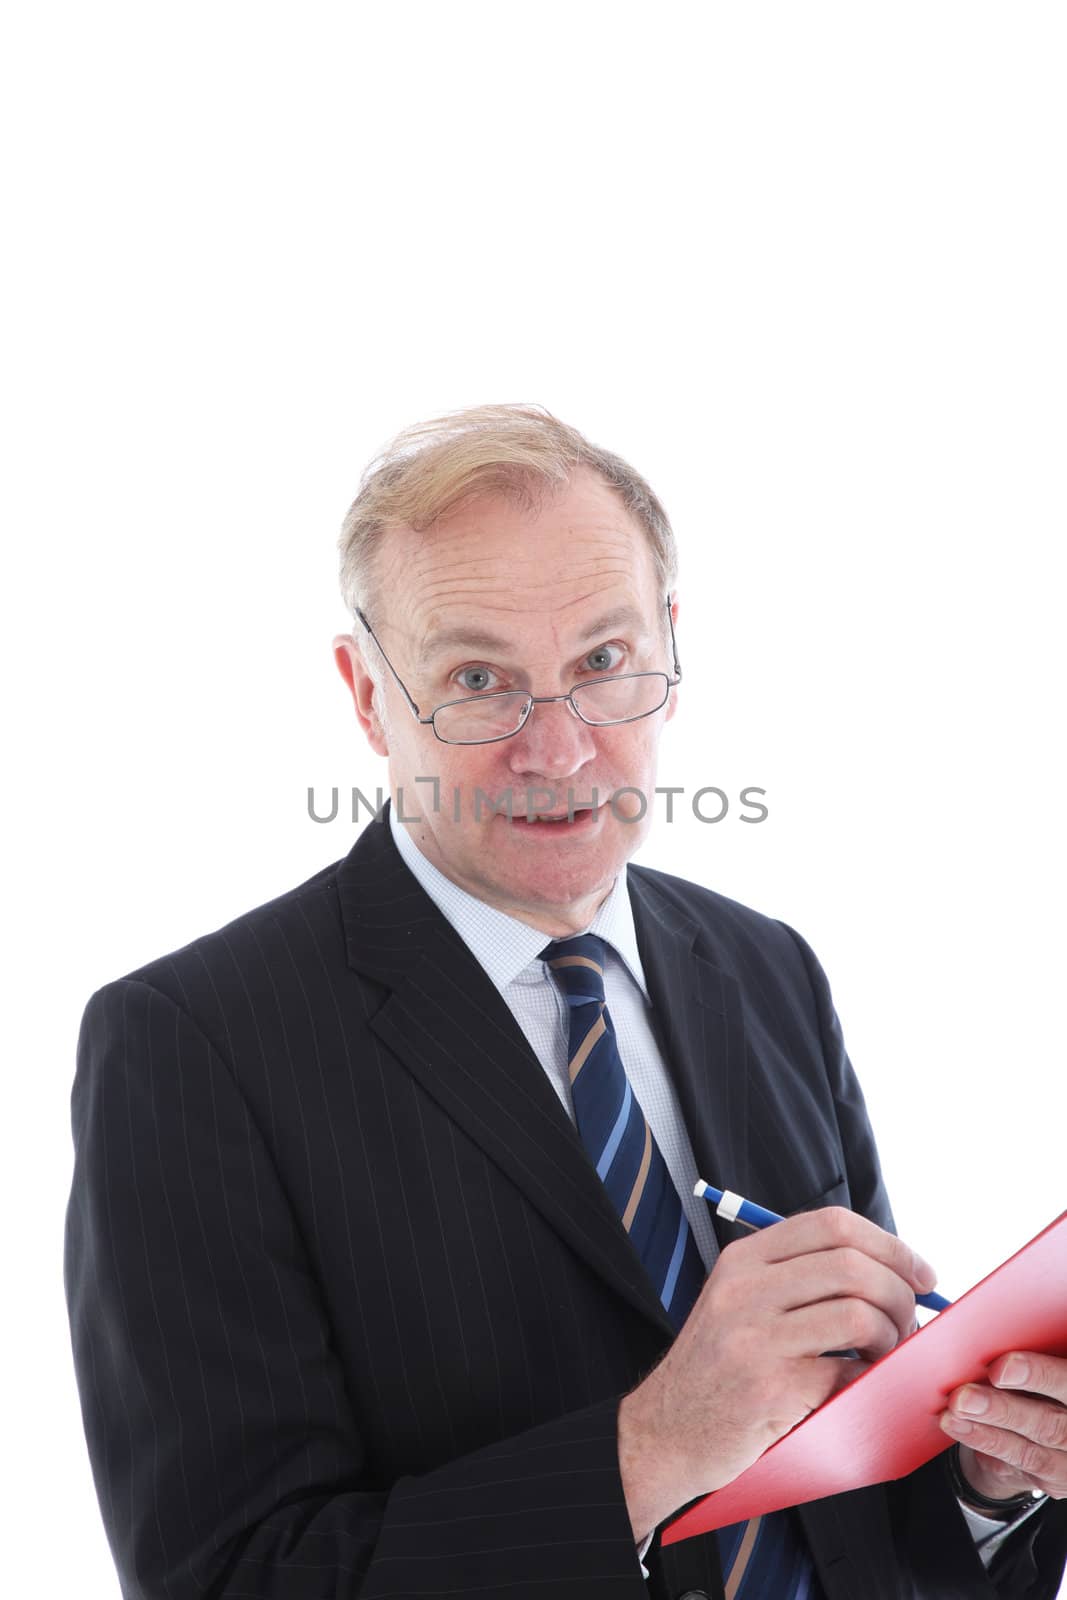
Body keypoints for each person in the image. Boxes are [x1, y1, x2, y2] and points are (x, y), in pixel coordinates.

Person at [64, 404, 1067, 1600]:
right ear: (366, 694)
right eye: (478, 679)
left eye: (600, 663)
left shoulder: (765, 967)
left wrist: (983, 1480)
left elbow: (853, 1508)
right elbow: (225, 1579)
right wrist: (647, 1450)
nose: (558, 748)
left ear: (670, 654)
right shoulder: (190, 1047)